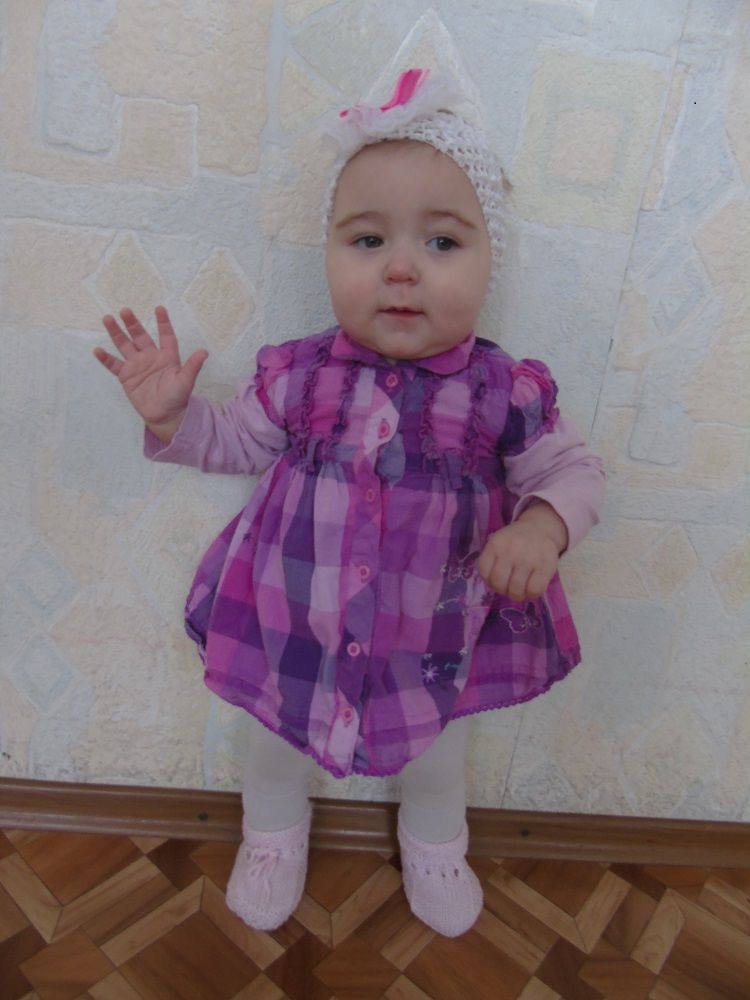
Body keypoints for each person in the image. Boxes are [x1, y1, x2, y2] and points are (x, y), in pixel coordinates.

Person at [93, 68, 605, 938]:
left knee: (438, 755)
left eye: (441, 242)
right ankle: (271, 839)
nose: (401, 268)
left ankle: (436, 846)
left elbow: (575, 470)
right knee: (273, 745)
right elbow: (238, 442)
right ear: (327, 251)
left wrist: (543, 524)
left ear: (492, 259)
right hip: (294, 623)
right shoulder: (298, 375)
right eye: (368, 240)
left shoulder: (501, 391)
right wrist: (176, 418)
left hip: (437, 633)